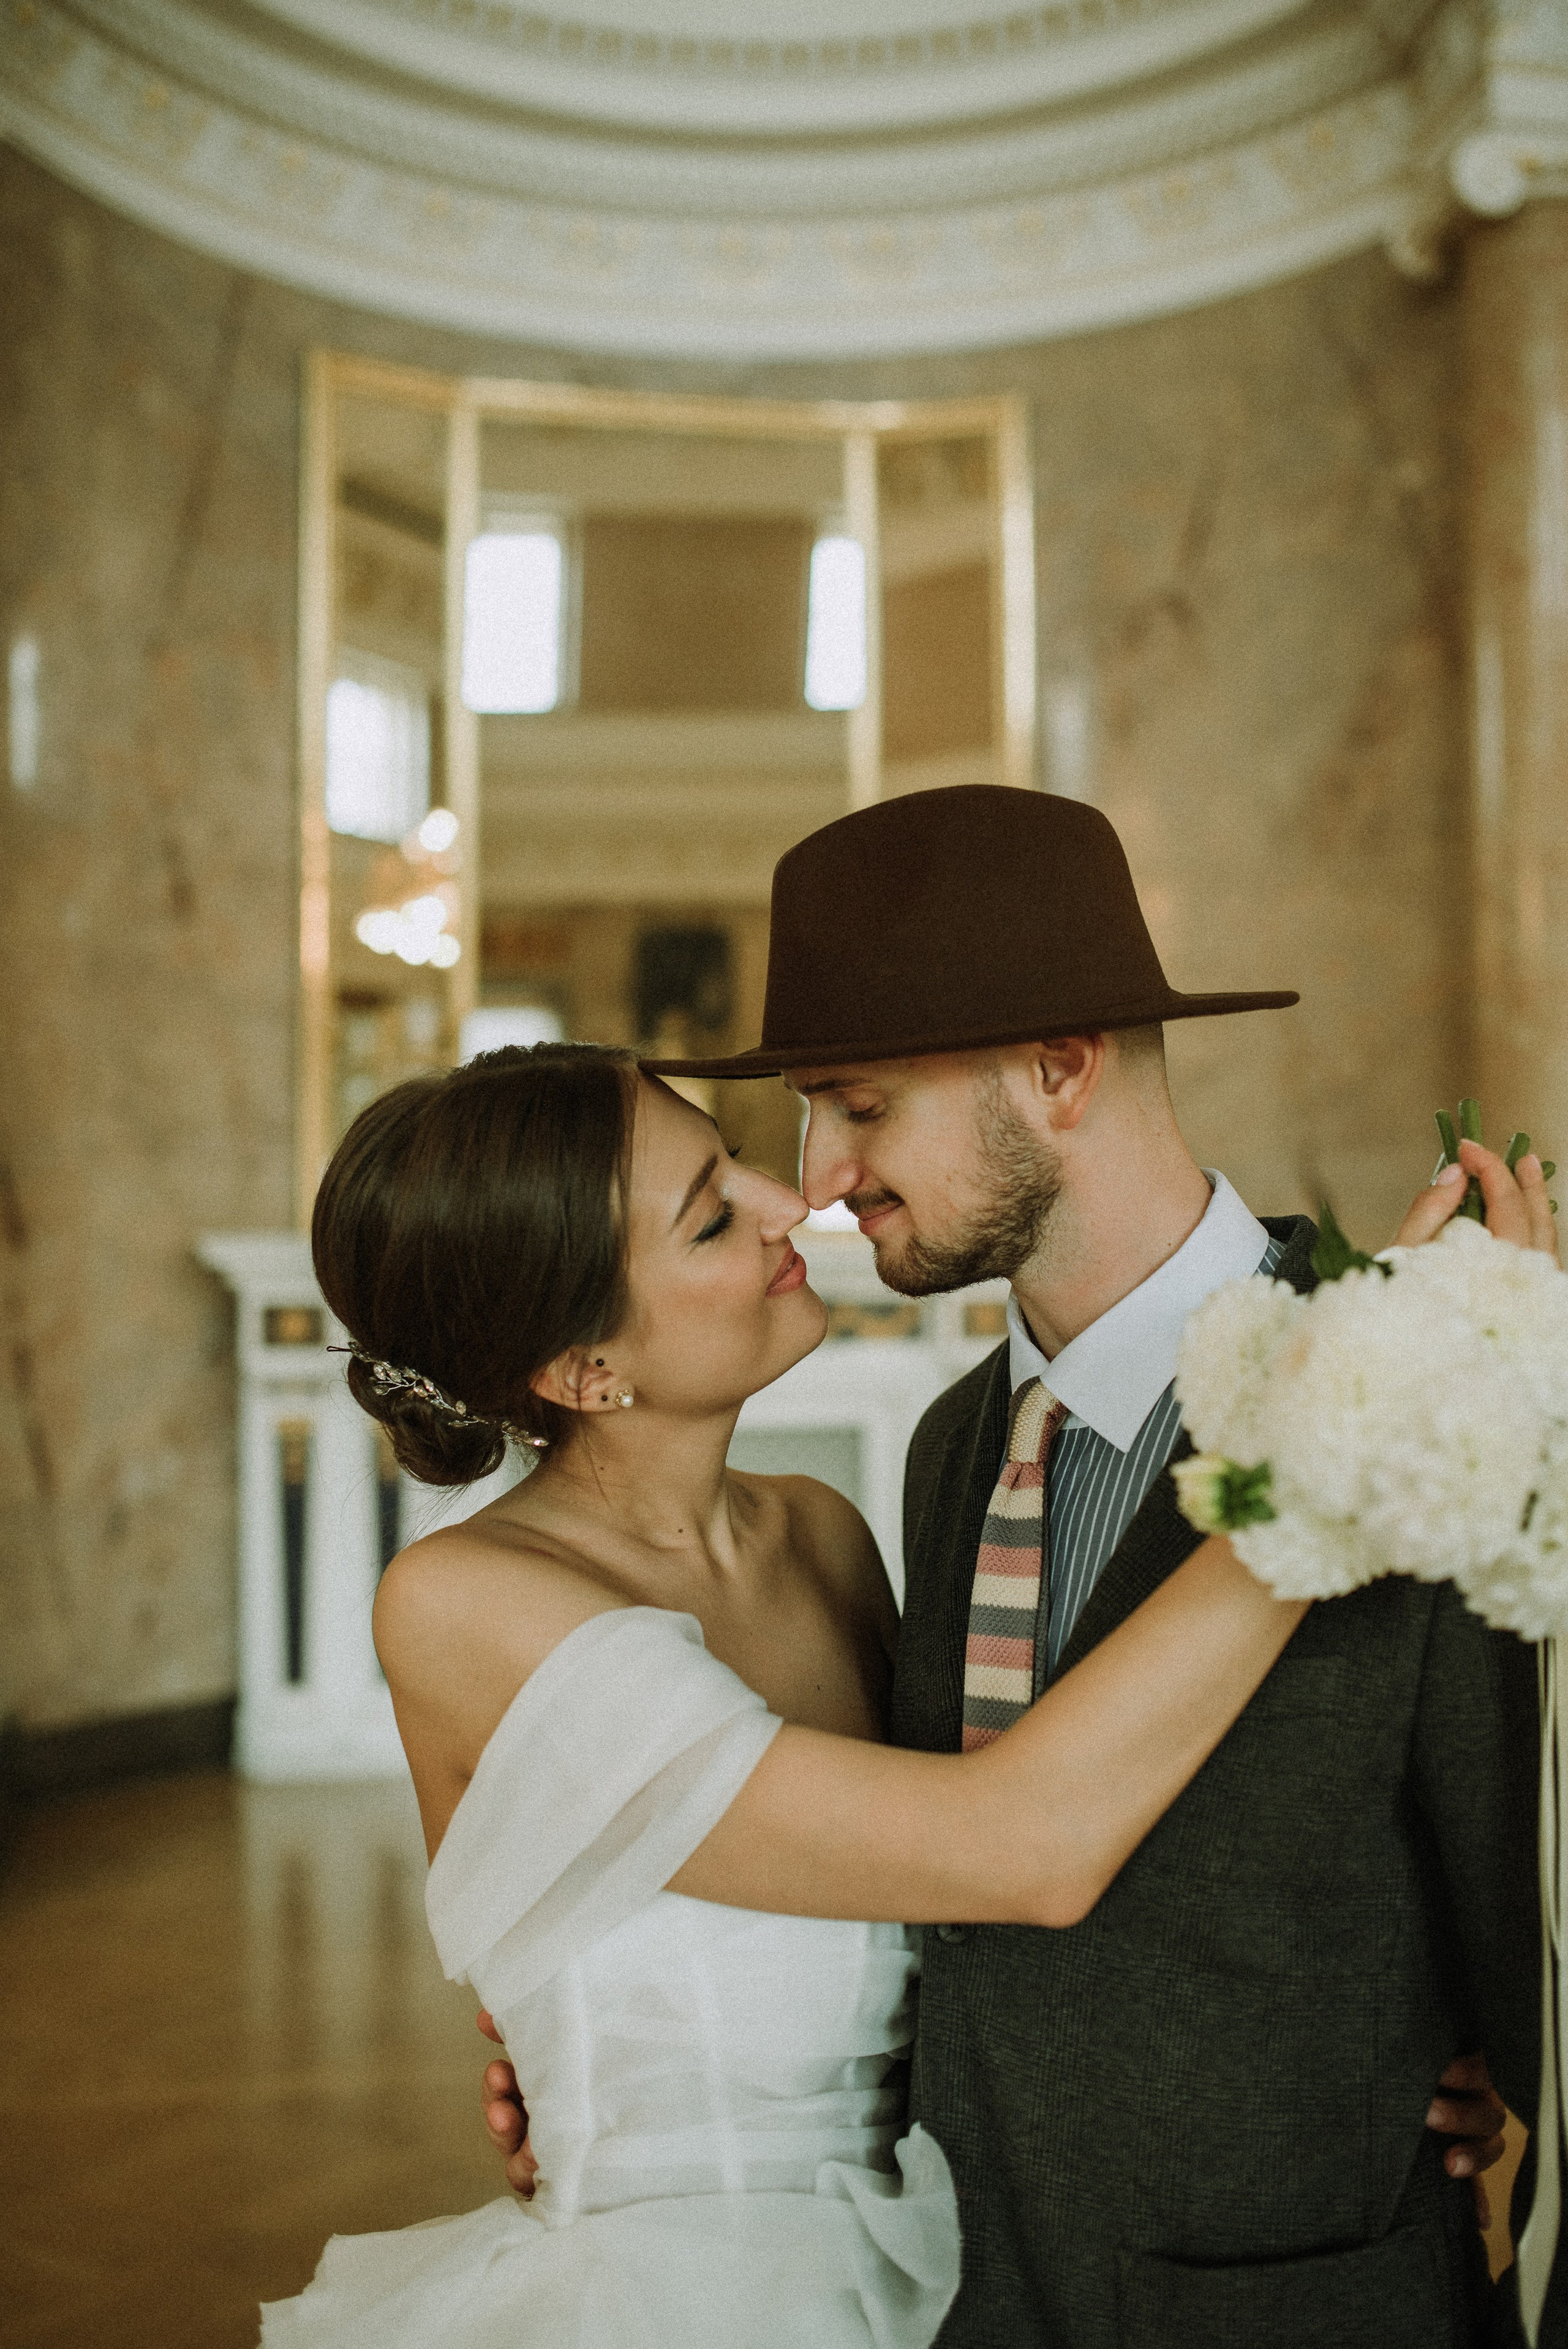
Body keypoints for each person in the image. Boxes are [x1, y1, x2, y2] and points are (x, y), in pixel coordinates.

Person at [582, 782, 1548, 2349]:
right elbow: (928, 1889)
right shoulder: (952, 1445)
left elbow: (1540, 1942)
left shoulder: (1438, 1389)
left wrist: (1505, 2082)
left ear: (1057, 1066)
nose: (816, 1174)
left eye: (859, 1104)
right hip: (960, 2296)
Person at [265, 1029, 1335, 2349]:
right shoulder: (461, 1605)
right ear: (584, 1371)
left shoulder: (823, 1537)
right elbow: (1018, 1847)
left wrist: (1344, 2048)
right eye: (713, 1219)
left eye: (736, 1164)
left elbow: (963, 1933)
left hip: (939, 2259)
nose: (795, 1201)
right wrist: (1345, 1450)